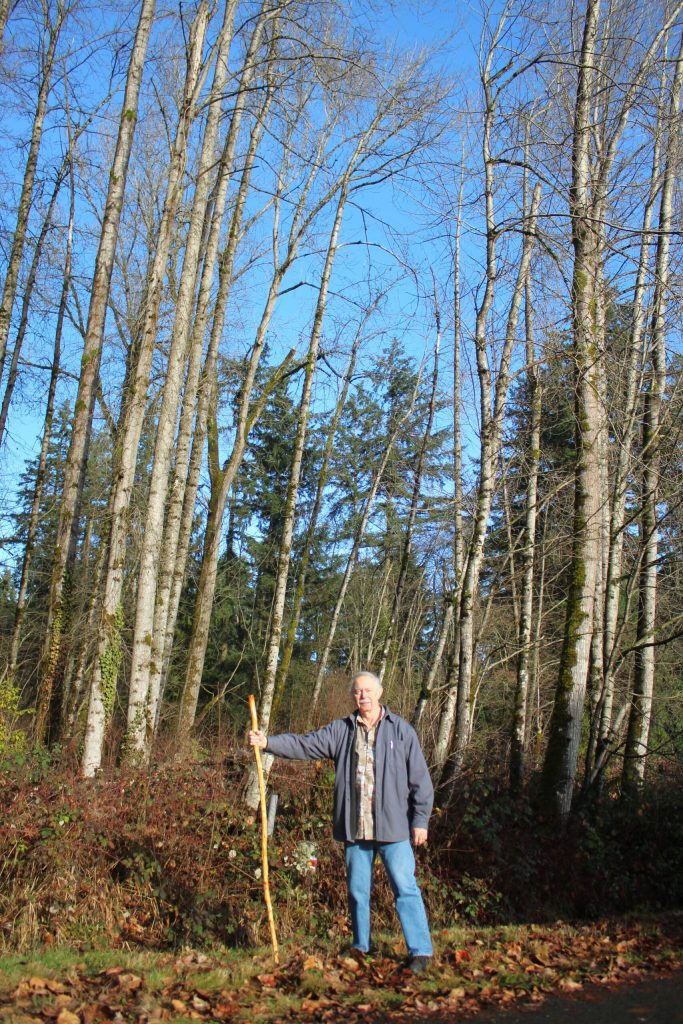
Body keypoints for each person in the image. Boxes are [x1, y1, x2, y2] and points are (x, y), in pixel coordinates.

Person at [248, 670, 434, 972]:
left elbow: (421, 782)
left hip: (395, 829)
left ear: (380, 692)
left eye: (368, 691)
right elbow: (305, 745)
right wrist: (268, 742)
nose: (364, 696)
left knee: (405, 887)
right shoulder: (342, 730)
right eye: (358, 692)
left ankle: (421, 952)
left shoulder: (401, 731)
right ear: (354, 696)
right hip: (355, 829)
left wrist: (420, 820)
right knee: (357, 891)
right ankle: (362, 947)